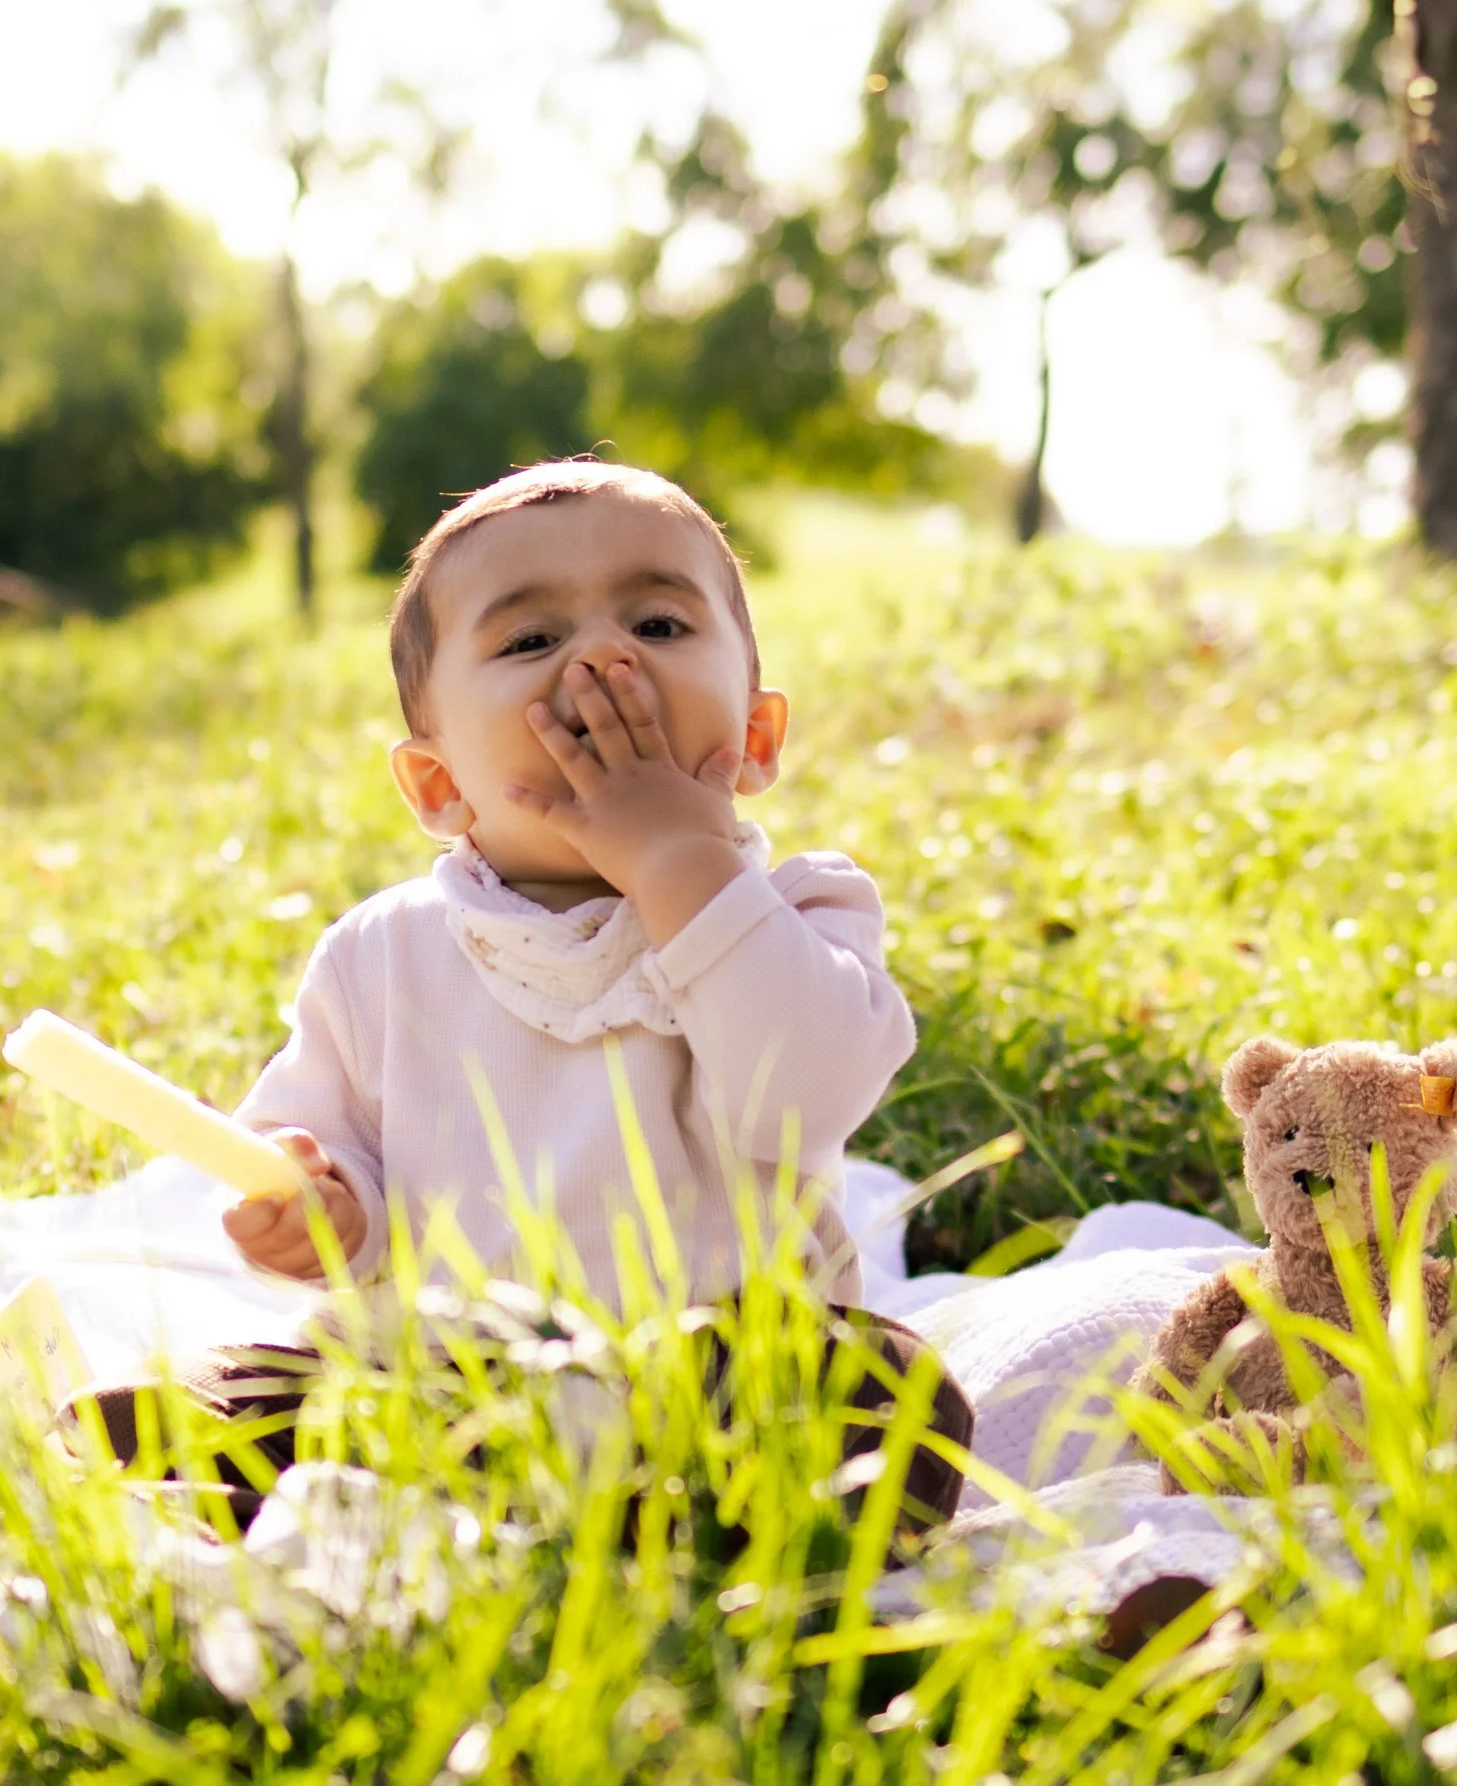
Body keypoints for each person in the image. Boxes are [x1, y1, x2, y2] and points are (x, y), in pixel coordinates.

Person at [87, 460, 972, 1535]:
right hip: (440, 1382)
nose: (603, 658)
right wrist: (316, 1208)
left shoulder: (799, 910)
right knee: (219, 1404)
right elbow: (317, 1148)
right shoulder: (382, 954)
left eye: (656, 622)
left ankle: (642, 1533)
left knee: (877, 1395)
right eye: (528, 642)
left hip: (702, 1383)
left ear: (753, 739)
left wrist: (675, 859)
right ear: (439, 785)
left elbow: (804, 1096)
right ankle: (362, 1505)